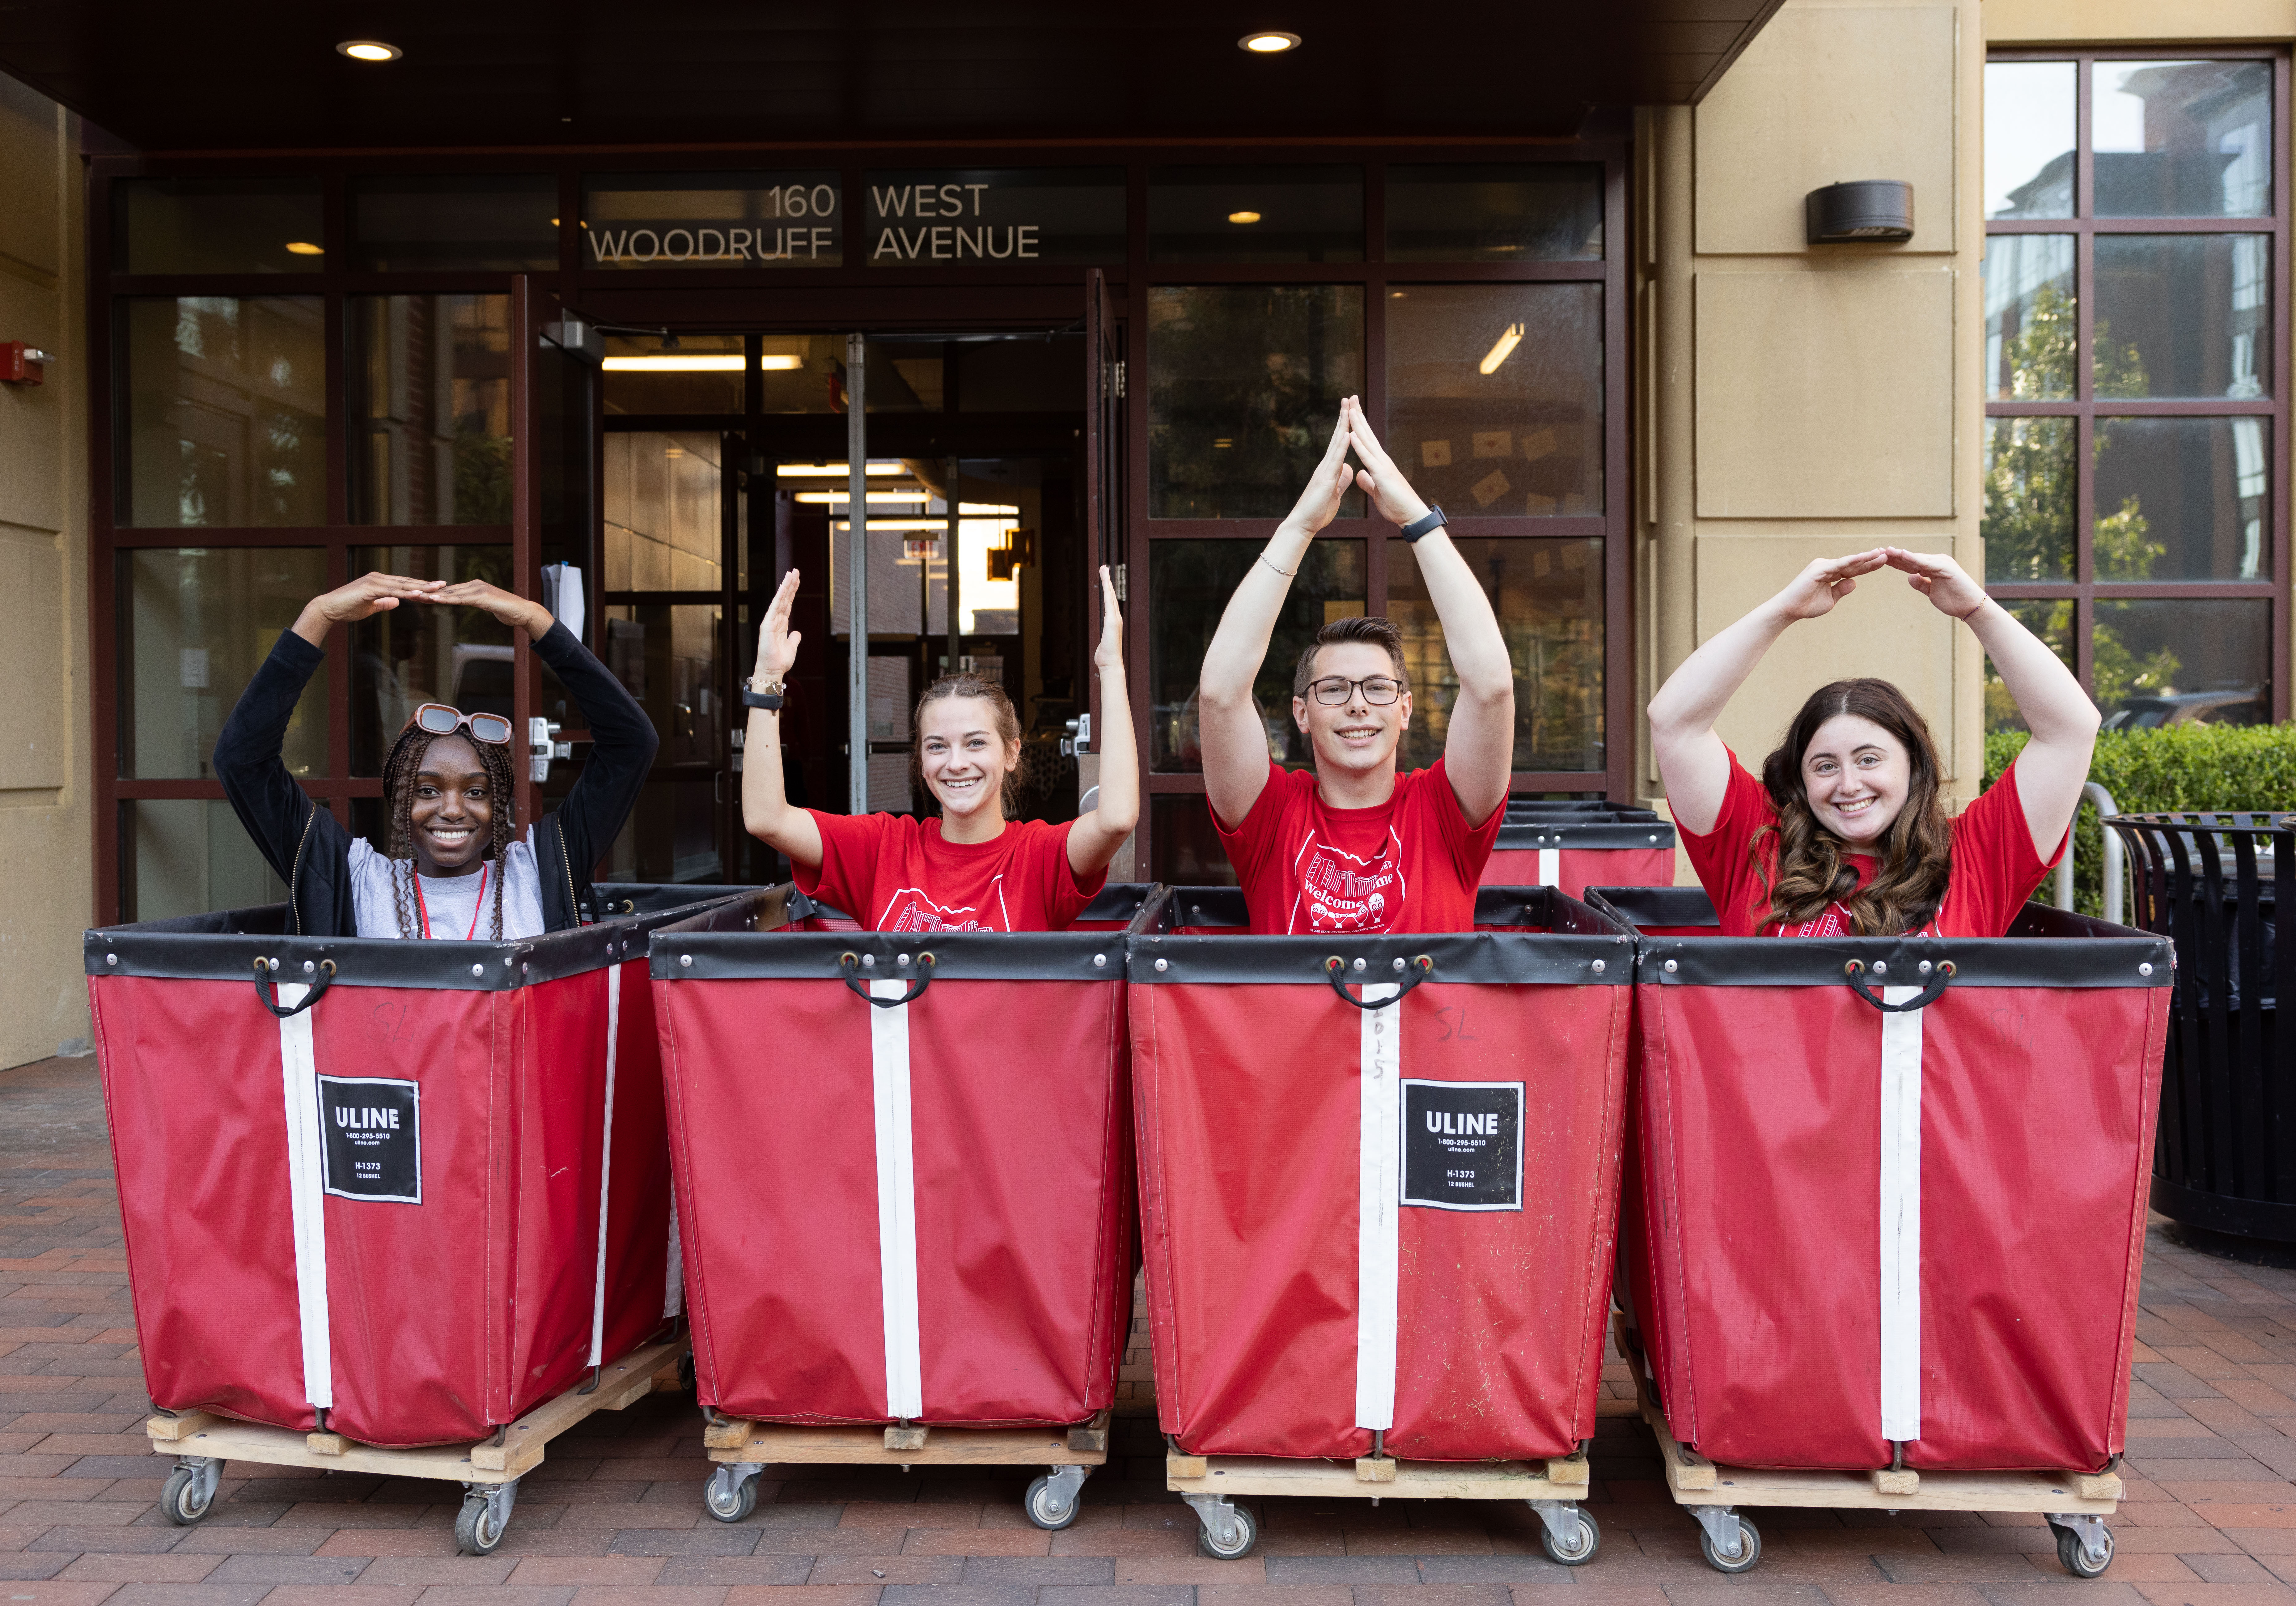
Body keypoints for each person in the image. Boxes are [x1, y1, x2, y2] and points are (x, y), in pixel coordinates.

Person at [1646, 547, 2100, 938]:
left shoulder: (1975, 857)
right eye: (1825, 766)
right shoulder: (1756, 847)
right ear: (1801, 779)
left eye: (1868, 760)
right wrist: (1782, 611)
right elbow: (1673, 723)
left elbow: (2071, 729)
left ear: (1912, 764)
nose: (1848, 785)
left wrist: (1977, 610)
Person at [1199, 396, 1516, 935]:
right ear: (1301, 713)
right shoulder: (1272, 816)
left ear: (1405, 708)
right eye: (1333, 689)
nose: (1357, 705)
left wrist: (1416, 519)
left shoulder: (1442, 812)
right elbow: (1220, 694)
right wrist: (1300, 527)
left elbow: (1491, 688)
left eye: (1377, 687)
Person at [214, 572, 659, 939]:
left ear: (500, 804)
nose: (452, 809)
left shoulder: (541, 872)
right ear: (400, 800)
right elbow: (243, 760)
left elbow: (631, 743)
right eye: (427, 790)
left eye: (476, 792)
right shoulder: (350, 877)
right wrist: (319, 615)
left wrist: (537, 622)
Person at [741, 565, 1138, 932]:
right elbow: (766, 818)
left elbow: (1117, 820)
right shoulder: (882, 848)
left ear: (1011, 753)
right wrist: (767, 677)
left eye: (976, 743)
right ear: (921, 761)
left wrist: (1112, 670)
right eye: (937, 747)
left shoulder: (1038, 857)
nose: (956, 763)